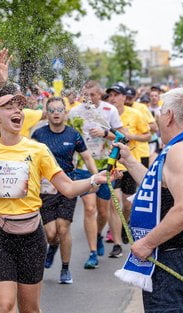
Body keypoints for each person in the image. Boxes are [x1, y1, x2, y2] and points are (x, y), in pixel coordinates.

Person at [0, 93, 119, 313]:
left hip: (30, 235)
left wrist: (92, 180)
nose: (17, 111)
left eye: (19, 108)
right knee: (3, 306)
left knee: (30, 309)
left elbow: (67, 188)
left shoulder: (38, 150)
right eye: (9, 107)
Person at [114, 88, 183, 312]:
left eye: (159, 113)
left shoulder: (180, 151)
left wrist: (146, 243)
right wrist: (129, 160)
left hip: (177, 256)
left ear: (169, 116)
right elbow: (159, 186)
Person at [32, 97, 97, 284]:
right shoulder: (38, 135)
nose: (56, 113)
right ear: (47, 113)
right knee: (51, 233)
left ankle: (65, 268)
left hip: (68, 186)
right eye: (52, 110)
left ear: (65, 112)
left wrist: (96, 178)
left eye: (60, 109)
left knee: (63, 228)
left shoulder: (73, 135)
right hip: (45, 189)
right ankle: (52, 246)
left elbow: (87, 157)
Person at [68, 80, 124, 268]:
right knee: (90, 209)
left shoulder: (110, 111)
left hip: (105, 166)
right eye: (86, 95)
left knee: (103, 212)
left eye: (92, 95)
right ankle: (92, 253)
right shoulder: (75, 113)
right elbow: (68, 136)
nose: (89, 99)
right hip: (83, 167)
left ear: (100, 95)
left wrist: (105, 133)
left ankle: (99, 234)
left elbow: (123, 137)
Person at [106, 84, 151, 256]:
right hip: (112, 163)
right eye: (111, 95)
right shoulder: (107, 114)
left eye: (117, 95)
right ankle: (117, 243)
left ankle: (126, 225)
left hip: (131, 163)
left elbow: (148, 135)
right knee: (114, 203)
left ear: (124, 97)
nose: (113, 98)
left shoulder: (136, 114)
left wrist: (131, 137)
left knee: (127, 204)